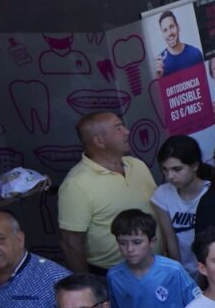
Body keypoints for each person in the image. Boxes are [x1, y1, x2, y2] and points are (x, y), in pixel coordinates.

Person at [57, 112, 163, 274]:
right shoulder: (77, 184)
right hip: (114, 276)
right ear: (100, 141)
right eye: (118, 128)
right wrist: (87, 286)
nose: (127, 131)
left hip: (160, 265)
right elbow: (71, 243)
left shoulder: (137, 165)